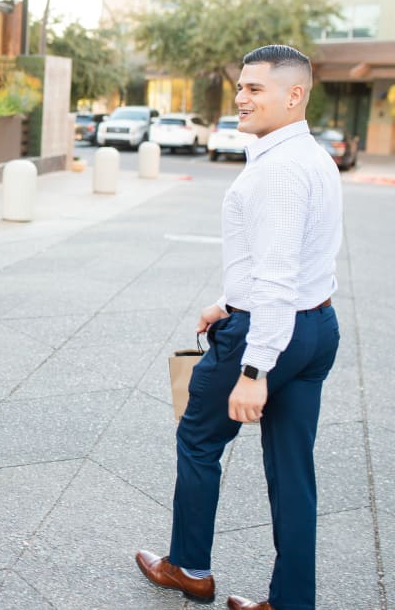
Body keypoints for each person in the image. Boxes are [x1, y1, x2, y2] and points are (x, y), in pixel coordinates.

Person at [136, 45, 342, 610]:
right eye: (241, 87)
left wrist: (254, 368)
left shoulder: (278, 171)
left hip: (268, 335)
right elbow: (292, 261)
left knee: (199, 441)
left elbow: (276, 278)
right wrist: (228, 301)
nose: (240, 97)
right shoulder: (312, 156)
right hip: (317, 325)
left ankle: (189, 569)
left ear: (294, 95)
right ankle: (292, 601)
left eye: (255, 89)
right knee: (293, 470)